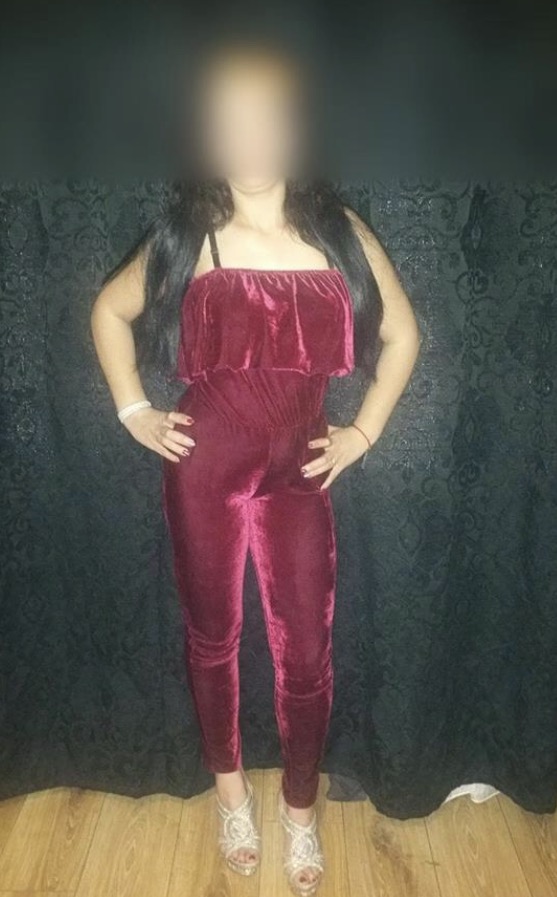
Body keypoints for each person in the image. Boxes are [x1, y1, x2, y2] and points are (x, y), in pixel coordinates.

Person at [90, 37, 421, 897]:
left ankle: (300, 808)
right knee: (212, 639)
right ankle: (231, 795)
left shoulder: (339, 234)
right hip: (203, 469)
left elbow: (402, 336)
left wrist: (362, 432)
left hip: (300, 473)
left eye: (265, 120)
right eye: (229, 123)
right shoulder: (187, 237)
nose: (249, 139)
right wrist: (133, 409)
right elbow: (109, 310)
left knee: (307, 653)